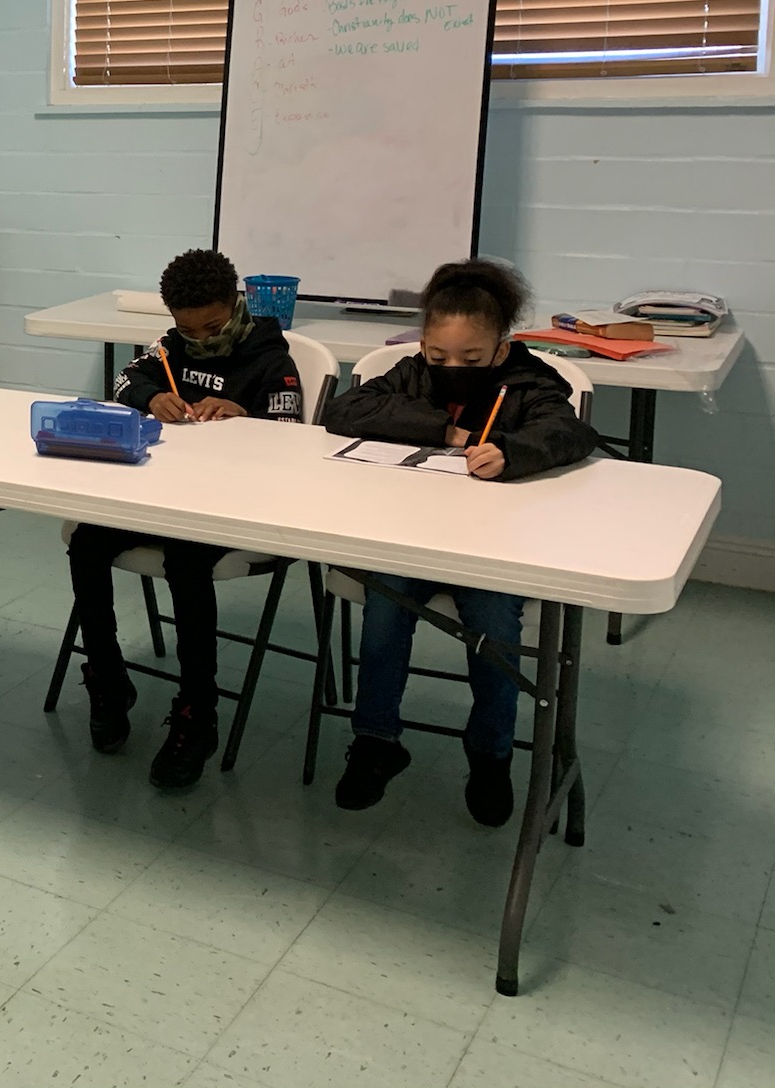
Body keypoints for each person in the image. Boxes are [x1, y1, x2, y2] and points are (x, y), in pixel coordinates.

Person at [323, 258, 598, 826]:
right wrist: (444, 431)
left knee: (495, 627)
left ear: (500, 349)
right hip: (413, 538)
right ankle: (377, 740)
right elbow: (344, 409)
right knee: (383, 602)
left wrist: (513, 453)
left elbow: (569, 432)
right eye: (439, 356)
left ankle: (491, 754)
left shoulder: (530, 381)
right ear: (423, 344)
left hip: (491, 551)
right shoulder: (412, 373)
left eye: (471, 359)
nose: (452, 368)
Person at [65, 249, 306, 788]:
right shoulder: (170, 348)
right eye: (187, 328)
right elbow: (126, 382)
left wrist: (248, 416)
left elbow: (295, 440)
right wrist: (153, 397)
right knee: (87, 542)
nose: (199, 339)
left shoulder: (270, 358)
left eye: (212, 326)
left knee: (187, 560)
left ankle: (199, 709)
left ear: (235, 306)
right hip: (162, 494)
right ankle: (106, 676)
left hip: (232, 506)